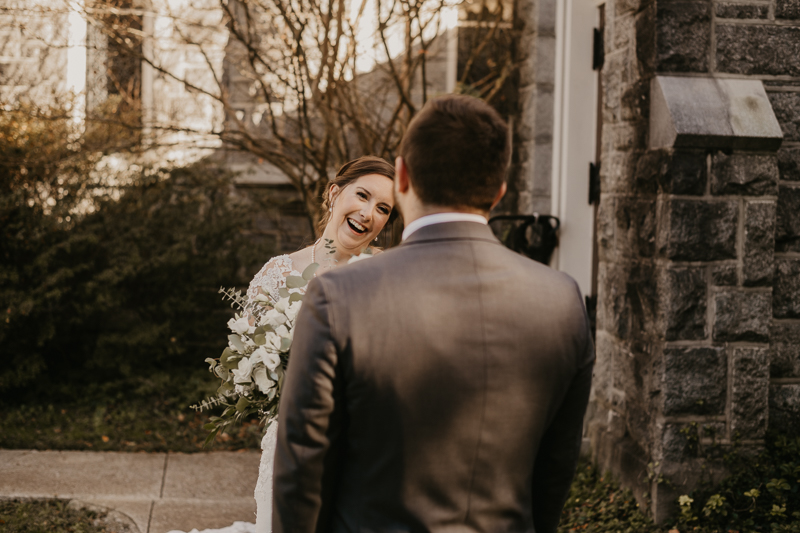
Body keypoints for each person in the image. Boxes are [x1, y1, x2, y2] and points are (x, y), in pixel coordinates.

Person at [273, 94, 595, 533]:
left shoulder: (337, 296)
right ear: (499, 192)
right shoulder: (563, 301)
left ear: (402, 176)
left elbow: (302, 472)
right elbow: (554, 472)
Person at [249, 155, 397, 533]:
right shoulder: (278, 275)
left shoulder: (390, 278)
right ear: (334, 193)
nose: (367, 213)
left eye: (382, 208)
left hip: (365, 455)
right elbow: (250, 371)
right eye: (362, 195)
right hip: (289, 450)